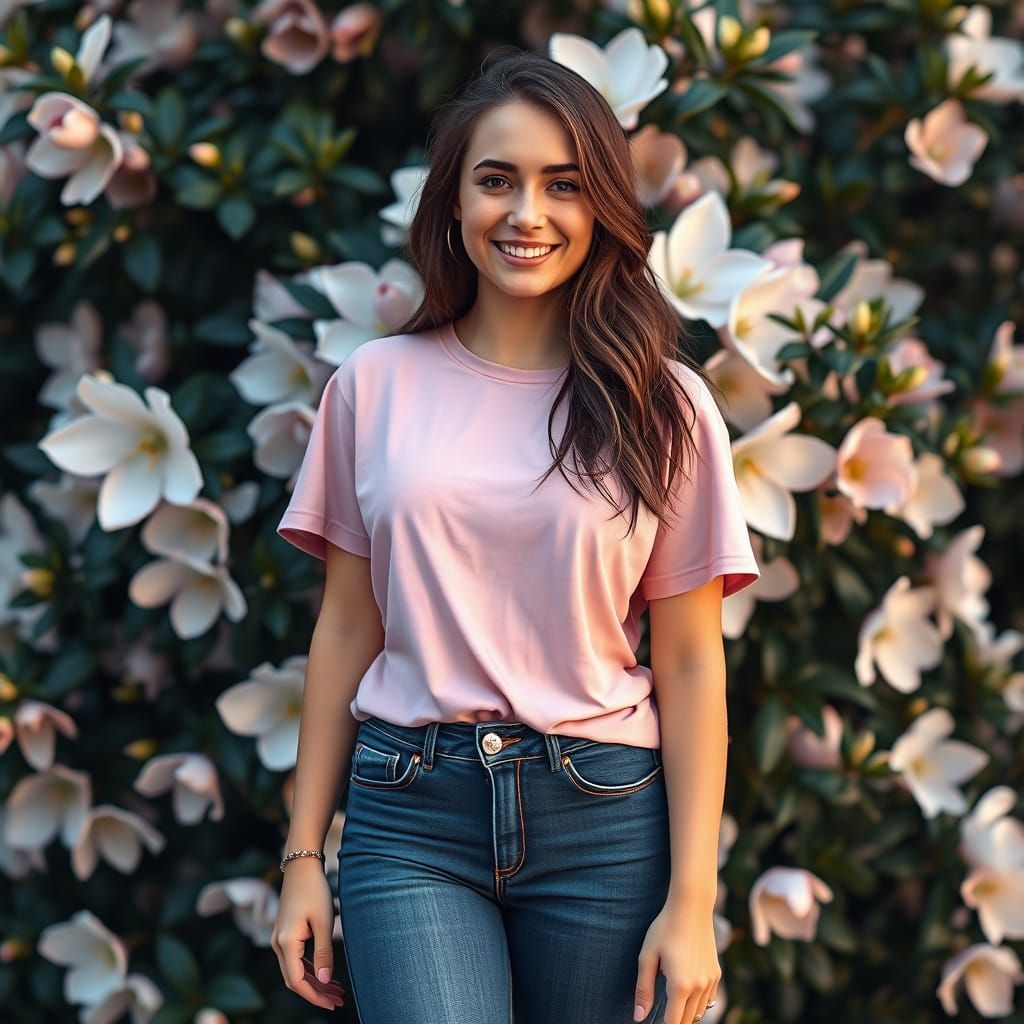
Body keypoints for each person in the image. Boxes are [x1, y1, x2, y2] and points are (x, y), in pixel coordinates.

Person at [270, 45, 760, 1024]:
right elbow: (347, 627)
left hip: (605, 821)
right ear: (453, 202)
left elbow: (691, 661)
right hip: (409, 816)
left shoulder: (665, 406)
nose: (526, 213)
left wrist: (693, 900)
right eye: (496, 180)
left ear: (602, 208)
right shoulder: (373, 385)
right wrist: (302, 856)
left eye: (562, 185)